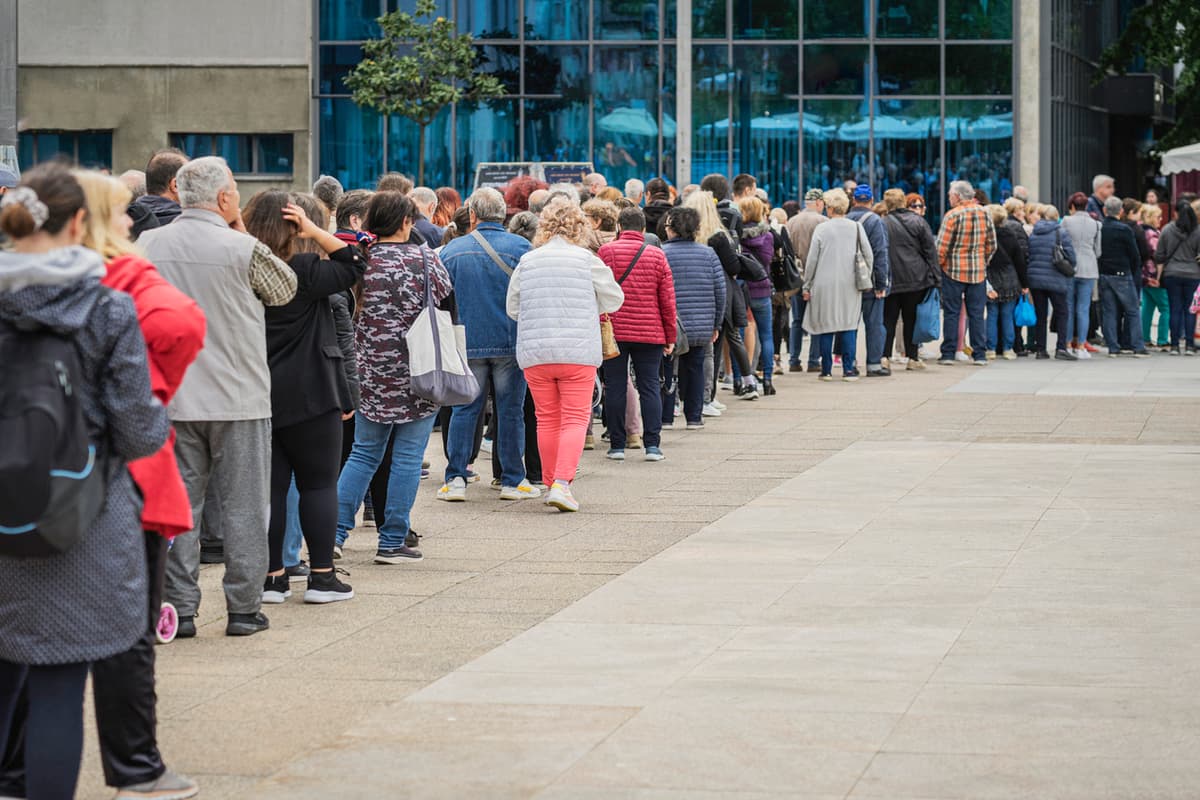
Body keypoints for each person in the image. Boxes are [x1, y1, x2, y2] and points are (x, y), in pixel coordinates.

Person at [0, 164, 169, 800]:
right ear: (78, 223)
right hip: (80, 520)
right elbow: (141, 434)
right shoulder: (105, 307)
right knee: (57, 686)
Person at [66, 170, 206, 799]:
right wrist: (152, 393)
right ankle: (135, 766)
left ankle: (18, 770)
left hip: (30, 474)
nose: (131, 224)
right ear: (92, 222)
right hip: (126, 473)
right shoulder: (125, 285)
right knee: (127, 633)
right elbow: (180, 325)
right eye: (120, 214)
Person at [140, 156, 299, 638]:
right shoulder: (243, 248)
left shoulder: (147, 243)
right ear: (225, 198)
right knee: (246, 506)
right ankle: (243, 608)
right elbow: (285, 290)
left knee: (178, 508)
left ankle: (179, 610)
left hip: (171, 396)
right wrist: (239, 229)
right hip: (239, 396)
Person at [242, 191, 362, 604]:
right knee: (318, 485)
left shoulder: (243, 267)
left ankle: (273, 577)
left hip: (258, 391)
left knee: (270, 490)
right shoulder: (305, 269)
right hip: (313, 390)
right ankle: (321, 577)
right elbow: (355, 263)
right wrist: (315, 230)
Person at [334, 191, 449, 562]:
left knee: (363, 454)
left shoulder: (361, 260)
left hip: (369, 370)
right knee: (408, 457)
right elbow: (445, 294)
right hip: (418, 369)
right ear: (405, 222)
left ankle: (332, 534)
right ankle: (392, 539)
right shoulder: (425, 259)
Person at [506, 199, 623, 512]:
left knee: (546, 418)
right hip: (577, 350)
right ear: (580, 226)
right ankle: (562, 482)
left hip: (536, 351)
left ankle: (549, 481)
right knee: (574, 417)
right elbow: (614, 298)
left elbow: (513, 308)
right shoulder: (587, 259)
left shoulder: (528, 261)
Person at [437, 187, 539, 502]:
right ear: (503, 213)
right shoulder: (522, 247)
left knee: (464, 410)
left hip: (467, 341)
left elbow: (442, 298)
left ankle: (456, 477)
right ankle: (511, 479)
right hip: (510, 341)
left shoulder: (452, 251)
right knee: (510, 412)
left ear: (472, 215)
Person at [599, 206, 675, 461]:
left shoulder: (606, 252)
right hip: (650, 331)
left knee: (616, 386)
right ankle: (652, 445)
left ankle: (617, 445)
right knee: (650, 386)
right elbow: (667, 299)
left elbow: (597, 292)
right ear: (643, 229)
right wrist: (670, 336)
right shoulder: (656, 255)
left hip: (615, 330)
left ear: (620, 227)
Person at [683, 190, 758, 400]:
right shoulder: (718, 236)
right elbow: (733, 267)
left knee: (687, 349)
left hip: (686, 294)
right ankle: (708, 395)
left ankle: (687, 395)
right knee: (714, 347)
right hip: (715, 295)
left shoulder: (684, 236)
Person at [660, 206, 725, 428]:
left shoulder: (662, 253)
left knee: (668, 368)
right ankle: (694, 417)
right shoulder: (708, 254)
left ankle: (666, 417)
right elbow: (720, 290)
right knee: (696, 368)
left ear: (672, 229)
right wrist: (716, 323)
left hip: (671, 324)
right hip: (701, 323)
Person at [802, 188, 871, 381]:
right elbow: (868, 255)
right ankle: (848, 370)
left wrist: (807, 285)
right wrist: (866, 276)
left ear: (830, 208)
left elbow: (812, 261)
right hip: (850, 283)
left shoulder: (822, 229)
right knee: (848, 324)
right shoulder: (856, 227)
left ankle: (826, 370)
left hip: (824, 284)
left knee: (826, 325)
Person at [936, 180, 997, 366]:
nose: (949, 198)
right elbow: (992, 244)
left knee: (952, 313)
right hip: (978, 272)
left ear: (958, 196)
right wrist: (982, 261)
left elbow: (941, 247)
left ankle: (948, 353)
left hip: (953, 270)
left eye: (950, 195)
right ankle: (979, 354)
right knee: (977, 314)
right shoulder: (985, 213)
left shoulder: (952, 215)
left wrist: (942, 265)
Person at [882, 188, 939, 370]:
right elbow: (931, 252)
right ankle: (912, 357)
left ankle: (885, 356)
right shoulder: (919, 221)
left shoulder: (883, 223)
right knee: (911, 319)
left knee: (888, 319)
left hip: (891, 277)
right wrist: (936, 278)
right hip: (916, 277)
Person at [846, 184, 891, 375]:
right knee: (874, 323)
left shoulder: (845, 219)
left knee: (849, 324)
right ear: (871, 200)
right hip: (870, 281)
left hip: (848, 281)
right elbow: (880, 253)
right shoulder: (875, 221)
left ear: (854, 200)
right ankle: (873, 365)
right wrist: (882, 283)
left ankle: (850, 364)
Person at [1096, 195, 1149, 357]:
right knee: (1132, 310)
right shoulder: (1125, 229)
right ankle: (1138, 346)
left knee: (1109, 311)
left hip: (1105, 273)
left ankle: (1113, 347)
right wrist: (1132, 270)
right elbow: (1135, 255)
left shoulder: (1100, 228)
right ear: (1121, 211)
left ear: (1104, 210)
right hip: (1122, 273)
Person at [736, 196, 777, 393]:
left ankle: (740, 379)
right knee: (766, 335)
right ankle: (768, 379)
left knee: (739, 333)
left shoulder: (737, 236)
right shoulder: (768, 235)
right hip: (762, 287)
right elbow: (769, 259)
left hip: (742, 289)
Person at [785, 188, 828, 372]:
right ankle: (813, 361)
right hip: (817, 277)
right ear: (819, 203)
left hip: (796, 276)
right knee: (816, 319)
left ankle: (794, 360)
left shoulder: (792, 222)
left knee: (797, 320)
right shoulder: (823, 222)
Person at [1026, 204, 1078, 359]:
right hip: (1056, 278)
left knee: (1041, 314)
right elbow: (1071, 256)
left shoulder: (1034, 232)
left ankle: (1041, 349)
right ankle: (1061, 348)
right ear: (1056, 217)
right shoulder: (1061, 232)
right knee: (1062, 312)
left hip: (1035, 279)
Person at [1153, 200, 1200, 355]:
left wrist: (1159, 276)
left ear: (1176, 213)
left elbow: (1159, 255)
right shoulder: (1198, 231)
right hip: (1193, 274)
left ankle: (1174, 345)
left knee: (1175, 309)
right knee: (1190, 310)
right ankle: (1189, 345)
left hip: (1172, 274)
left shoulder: (1167, 229)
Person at [1061, 192, 1102, 357]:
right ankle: (1081, 346)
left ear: (1072, 206)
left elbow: (1061, 244)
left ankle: (1068, 343)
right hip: (1090, 267)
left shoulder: (1066, 221)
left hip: (1070, 268)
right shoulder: (1097, 224)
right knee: (1083, 308)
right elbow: (1098, 251)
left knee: (1069, 307)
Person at [984, 204, 1027, 359]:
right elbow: (1020, 261)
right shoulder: (1010, 235)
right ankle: (1009, 348)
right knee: (1007, 315)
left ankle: (990, 349)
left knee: (992, 314)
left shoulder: (985, 236)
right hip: (1010, 278)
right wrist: (1024, 284)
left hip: (991, 278)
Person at [132, 148, 188, 227]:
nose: (192, 185)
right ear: (175, 185)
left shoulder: (124, 219)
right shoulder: (186, 224)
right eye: (189, 180)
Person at [1140, 204, 1169, 350]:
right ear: (1151, 218)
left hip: (1143, 275)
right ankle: (1163, 339)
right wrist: (1159, 276)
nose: (1161, 219)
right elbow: (1158, 255)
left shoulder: (1141, 231)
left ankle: (1144, 338)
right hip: (1153, 276)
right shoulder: (1152, 234)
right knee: (1165, 307)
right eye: (1158, 216)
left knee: (1148, 307)